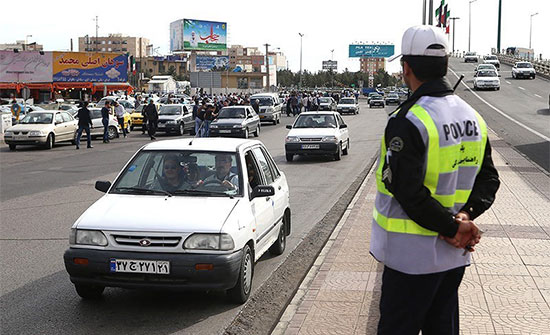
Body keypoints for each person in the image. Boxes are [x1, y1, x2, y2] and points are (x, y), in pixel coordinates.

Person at [370, 25, 500, 335]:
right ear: (444, 66)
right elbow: (489, 180)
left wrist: (454, 227)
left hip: (409, 261)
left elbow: (409, 193)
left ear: (406, 69)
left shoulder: (408, 120)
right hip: (452, 260)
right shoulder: (473, 118)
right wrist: (464, 217)